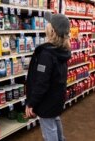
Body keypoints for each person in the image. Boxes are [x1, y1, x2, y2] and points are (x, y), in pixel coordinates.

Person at [25, 12, 71, 141]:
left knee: (48, 130)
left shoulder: (46, 54)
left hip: (47, 101)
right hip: (56, 98)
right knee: (55, 120)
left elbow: (41, 82)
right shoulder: (62, 51)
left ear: (51, 30)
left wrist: (31, 103)